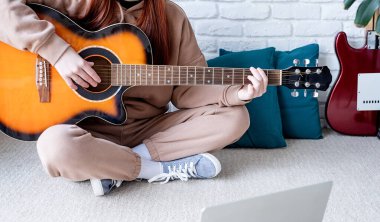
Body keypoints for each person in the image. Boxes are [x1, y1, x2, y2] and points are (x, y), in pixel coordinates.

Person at [0, 0, 268, 196]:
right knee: (54, 147)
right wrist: (57, 53)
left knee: (235, 116)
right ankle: (154, 169)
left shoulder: (171, 16)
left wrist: (236, 93)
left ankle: (114, 168)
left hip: (149, 129)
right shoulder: (78, 3)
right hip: (89, 134)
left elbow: (187, 90)